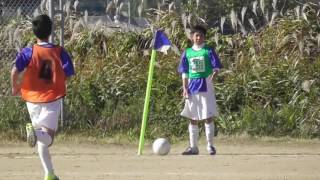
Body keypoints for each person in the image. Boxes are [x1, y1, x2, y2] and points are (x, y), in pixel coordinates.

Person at [11, 14, 75, 180]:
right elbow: (69, 73)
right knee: (48, 138)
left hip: (31, 99)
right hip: (51, 99)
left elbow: (14, 70)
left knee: (40, 137)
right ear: (50, 31)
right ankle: (35, 134)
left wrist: (15, 87)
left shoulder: (29, 51)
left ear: (34, 32)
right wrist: (59, 81)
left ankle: (49, 174)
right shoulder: (59, 51)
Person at [178, 25, 222, 155]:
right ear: (192, 37)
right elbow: (184, 72)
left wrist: (215, 72)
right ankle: (193, 147)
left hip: (206, 85)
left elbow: (216, 66)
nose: (198, 37)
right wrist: (185, 88)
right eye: (196, 35)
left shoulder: (208, 50)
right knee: (192, 117)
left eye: (201, 35)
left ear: (204, 37)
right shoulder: (187, 52)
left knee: (208, 116)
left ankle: (210, 146)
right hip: (192, 86)